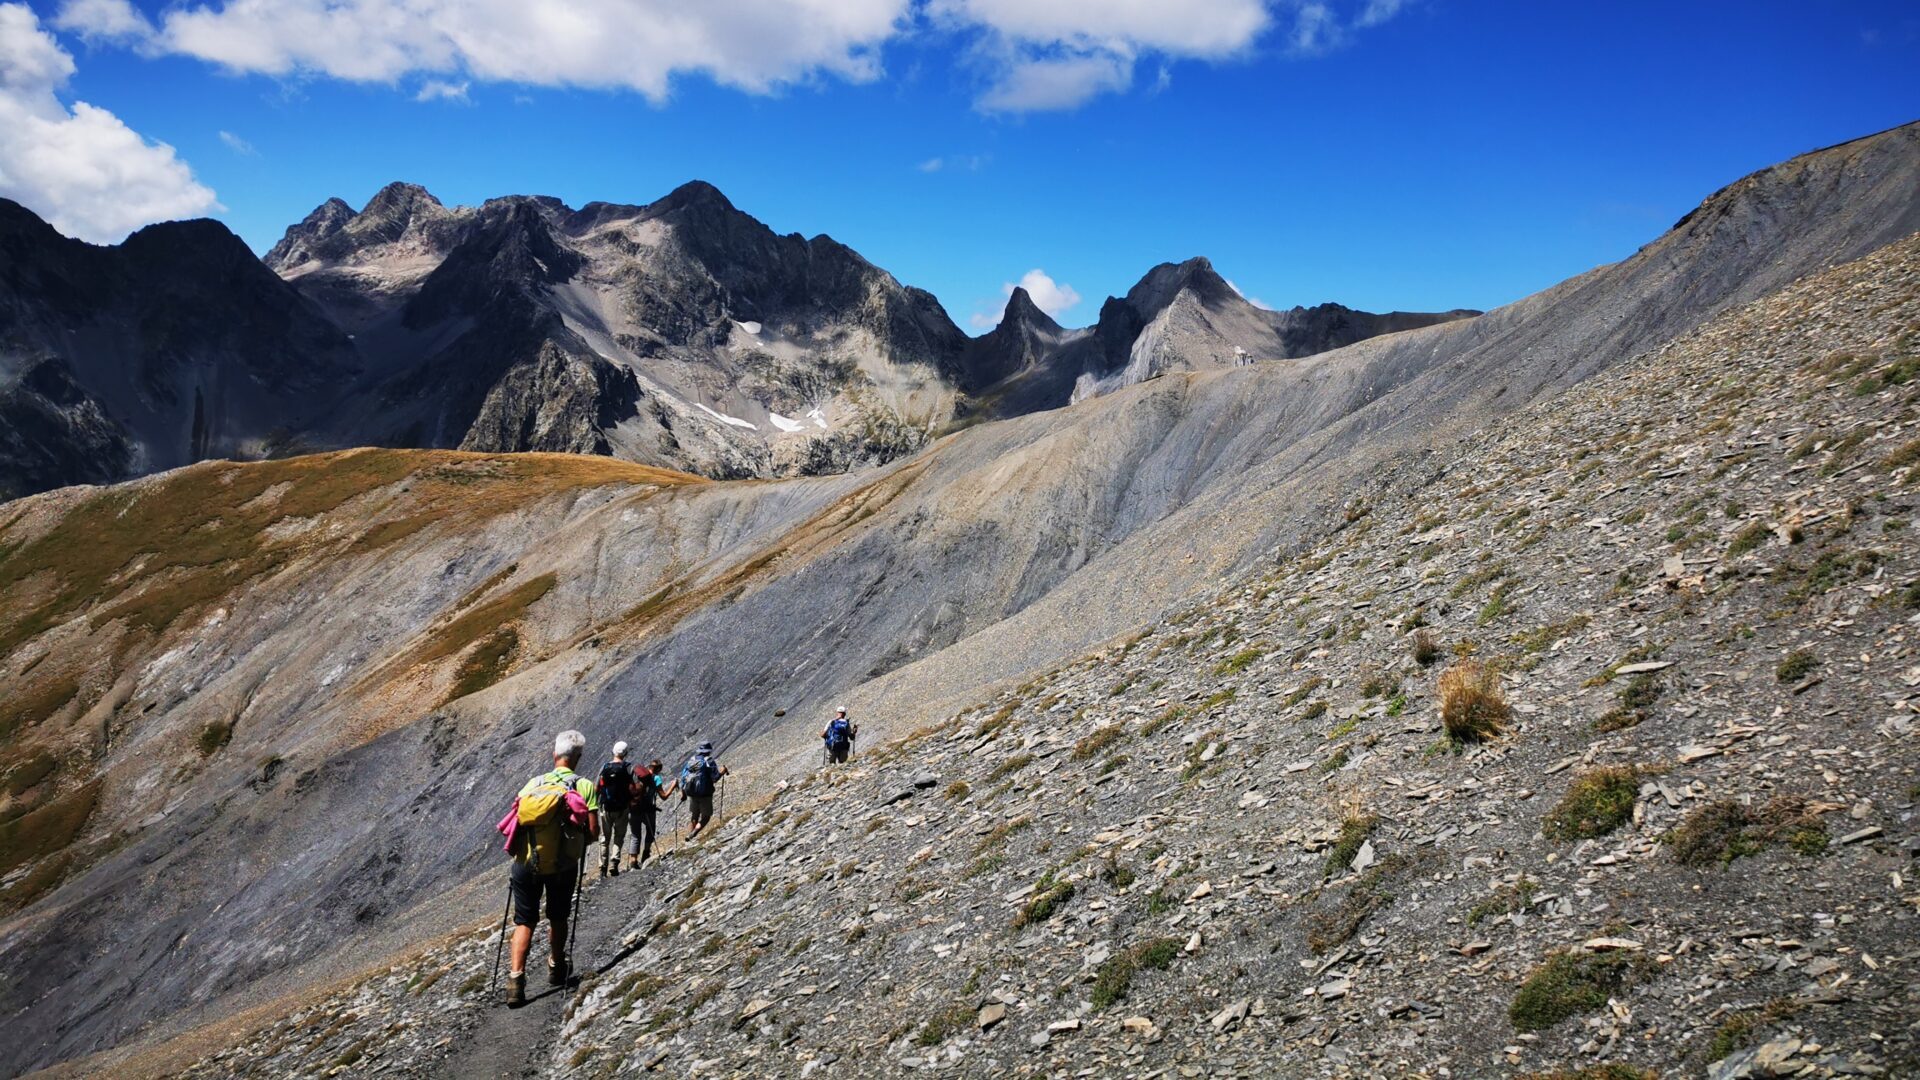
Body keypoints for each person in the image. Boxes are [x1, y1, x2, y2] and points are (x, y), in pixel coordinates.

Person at [502, 730, 599, 1006]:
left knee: (524, 921)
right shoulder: (583, 786)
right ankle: (556, 966)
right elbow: (594, 832)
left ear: (554, 754)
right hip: (561, 864)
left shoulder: (533, 784)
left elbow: (517, 822)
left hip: (526, 863)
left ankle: (515, 981)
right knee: (558, 916)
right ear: (577, 758)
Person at [665, 742, 728, 838]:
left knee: (694, 815)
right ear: (708, 751)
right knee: (706, 817)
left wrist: (683, 793)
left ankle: (690, 838)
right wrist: (722, 772)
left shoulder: (691, 761)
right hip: (705, 794)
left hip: (692, 793)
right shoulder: (709, 761)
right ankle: (693, 833)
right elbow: (715, 778)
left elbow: (684, 778)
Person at [595, 742, 636, 877]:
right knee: (619, 836)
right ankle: (614, 862)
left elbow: (597, 787)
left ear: (613, 752)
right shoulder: (628, 767)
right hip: (622, 807)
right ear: (625, 753)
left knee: (604, 838)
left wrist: (595, 802)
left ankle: (602, 868)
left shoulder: (605, 767)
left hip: (606, 807)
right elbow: (633, 787)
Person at [623, 758, 669, 869]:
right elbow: (663, 796)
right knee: (650, 831)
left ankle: (633, 862)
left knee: (635, 835)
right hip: (648, 809)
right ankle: (645, 854)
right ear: (659, 769)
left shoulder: (638, 775)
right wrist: (673, 785)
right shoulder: (656, 778)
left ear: (649, 766)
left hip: (634, 808)